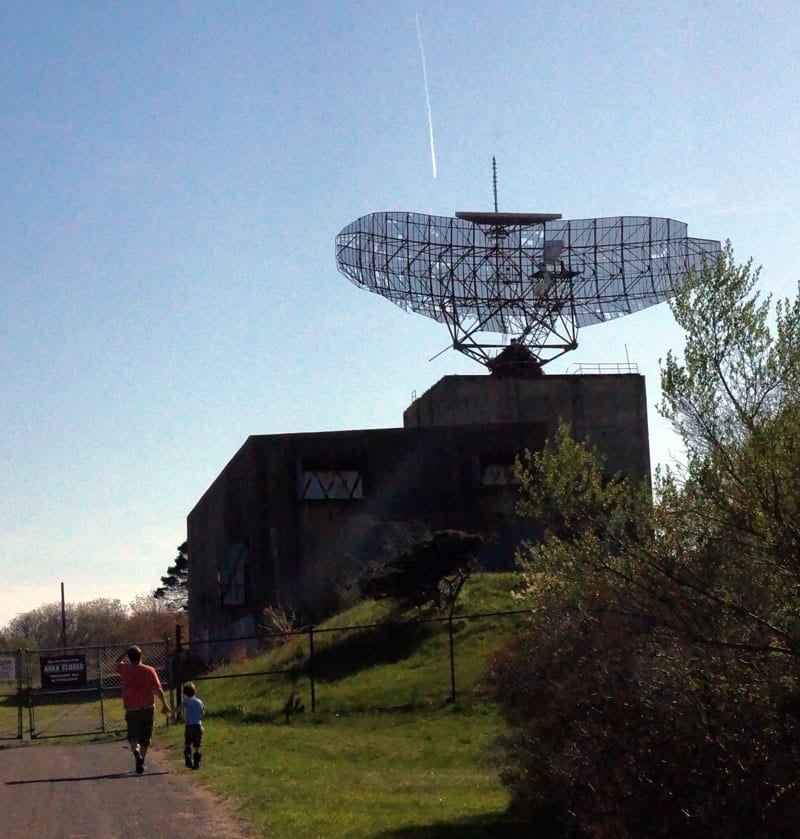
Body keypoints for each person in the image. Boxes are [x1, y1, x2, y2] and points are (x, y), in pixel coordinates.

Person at [114, 645, 171, 775]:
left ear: (129, 658)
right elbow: (158, 689)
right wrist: (164, 704)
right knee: (146, 735)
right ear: (141, 656)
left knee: (133, 735)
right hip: (147, 707)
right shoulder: (149, 670)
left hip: (131, 707)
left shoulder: (125, 670)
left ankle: (136, 753)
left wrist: (124, 652)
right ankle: (142, 760)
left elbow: (117, 663)